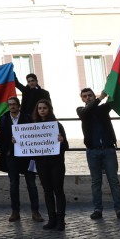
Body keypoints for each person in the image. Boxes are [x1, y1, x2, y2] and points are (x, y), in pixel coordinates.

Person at [77, 88, 120, 221]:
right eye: (85, 96)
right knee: (96, 182)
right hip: (92, 151)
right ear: (82, 99)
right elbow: (86, 113)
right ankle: (97, 209)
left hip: (108, 149)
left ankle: (119, 210)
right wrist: (100, 98)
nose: (88, 98)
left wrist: (112, 84)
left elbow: (113, 100)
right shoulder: (81, 110)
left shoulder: (103, 109)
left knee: (113, 181)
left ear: (93, 96)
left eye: (90, 95)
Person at [0, 96, 42, 223]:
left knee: (32, 185)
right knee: (13, 185)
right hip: (12, 157)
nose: (12, 106)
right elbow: (0, 140)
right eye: (10, 104)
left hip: (28, 157)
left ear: (18, 105)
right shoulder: (3, 119)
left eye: (14, 104)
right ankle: (15, 211)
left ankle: (35, 211)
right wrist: (6, 149)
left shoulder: (28, 118)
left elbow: (34, 136)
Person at [31, 99, 68, 231]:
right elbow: (28, 143)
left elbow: (66, 146)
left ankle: (61, 220)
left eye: (44, 108)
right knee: (47, 191)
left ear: (49, 109)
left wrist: (62, 141)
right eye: (39, 108)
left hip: (56, 163)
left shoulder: (57, 125)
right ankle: (51, 218)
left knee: (58, 190)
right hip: (41, 163)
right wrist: (16, 141)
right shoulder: (33, 126)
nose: (42, 110)